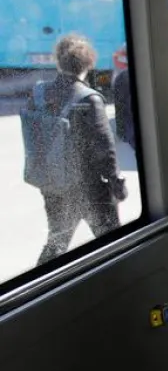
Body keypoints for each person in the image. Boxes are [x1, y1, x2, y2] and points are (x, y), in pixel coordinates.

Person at [24, 34, 125, 264]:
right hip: (89, 188)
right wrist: (115, 182)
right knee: (114, 244)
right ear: (88, 63)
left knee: (56, 242)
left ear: (58, 61)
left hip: (53, 184)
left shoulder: (39, 94)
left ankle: (41, 288)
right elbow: (105, 148)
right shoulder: (89, 99)